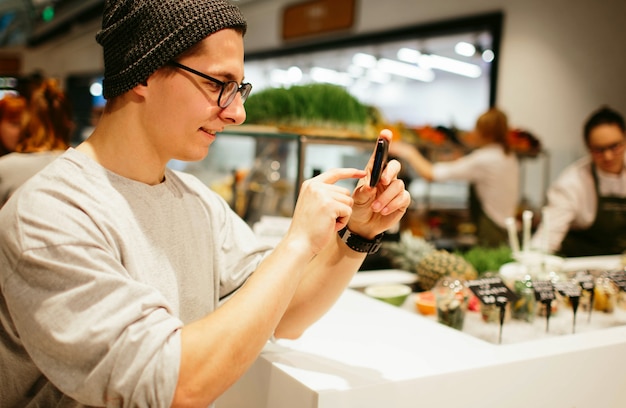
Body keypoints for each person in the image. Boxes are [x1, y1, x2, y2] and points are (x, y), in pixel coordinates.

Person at [0, 1, 411, 407]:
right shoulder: (50, 215)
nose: (238, 112)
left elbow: (284, 315)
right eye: (219, 85)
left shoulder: (195, 200)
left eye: (239, 89)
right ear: (144, 71)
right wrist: (297, 243)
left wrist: (359, 232)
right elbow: (175, 385)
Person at [390, 107, 519, 247]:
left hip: (492, 229)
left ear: (485, 133)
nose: (473, 133)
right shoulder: (508, 156)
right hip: (506, 227)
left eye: (476, 129)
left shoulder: (484, 159)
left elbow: (431, 174)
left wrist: (409, 151)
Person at [531, 106, 626, 257]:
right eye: (599, 150)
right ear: (588, 148)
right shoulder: (572, 183)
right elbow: (547, 238)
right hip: (581, 264)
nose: (608, 156)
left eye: (614, 146)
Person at [0, 78, 73, 206]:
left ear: (29, 121)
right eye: (14, 124)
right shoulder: (84, 164)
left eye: (19, 123)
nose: (18, 131)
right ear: (69, 123)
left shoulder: (5, 168)